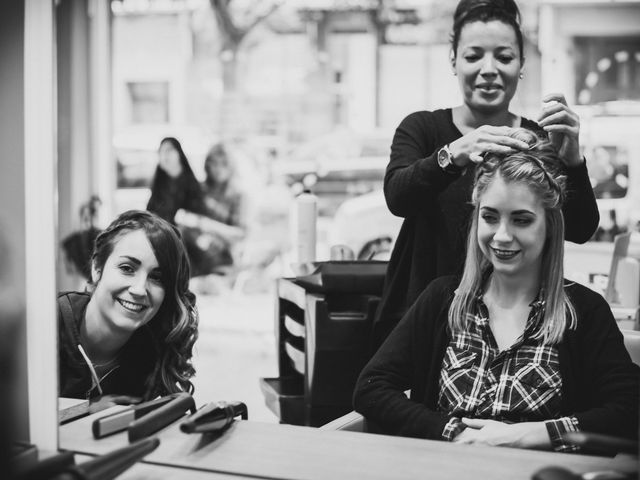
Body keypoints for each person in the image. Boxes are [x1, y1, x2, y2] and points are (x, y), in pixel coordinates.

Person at [353, 130, 639, 452]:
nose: (501, 236)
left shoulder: (584, 311)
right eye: (490, 217)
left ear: (550, 226)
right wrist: (454, 433)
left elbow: (628, 410)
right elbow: (371, 388)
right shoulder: (443, 300)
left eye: (521, 220)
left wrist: (530, 434)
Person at [371, 0, 599, 351]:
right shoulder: (422, 128)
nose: (488, 69)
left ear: (522, 65)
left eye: (504, 57)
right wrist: (455, 153)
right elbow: (398, 197)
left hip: (512, 327)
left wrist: (570, 159)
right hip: (422, 321)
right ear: (453, 61)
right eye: (473, 55)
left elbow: (581, 229)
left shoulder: (538, 139)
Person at [58, 210, 199, 403]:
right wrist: (88, 410)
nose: (140, 290)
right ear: (97, 268)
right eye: (127, 268)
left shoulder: (153, 356)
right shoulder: (46, 325)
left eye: (157, 278)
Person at [177, 143, 247, 278]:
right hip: (194, 253)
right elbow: (184, 218)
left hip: (223, 257)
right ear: (207, 165)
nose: (218, 169)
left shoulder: (238, 195)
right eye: (214, 163)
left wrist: (208, 225)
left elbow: (241, 234)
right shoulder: (199, 189)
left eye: (224, 164)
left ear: (231, 166)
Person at [146, 137, 205, 225]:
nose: (164, 155)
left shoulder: (191, 184)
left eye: (169, 150)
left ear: (179, 154)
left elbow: (197, 217)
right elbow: (149, 214)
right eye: (161, 151)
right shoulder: (158, 185)